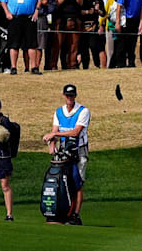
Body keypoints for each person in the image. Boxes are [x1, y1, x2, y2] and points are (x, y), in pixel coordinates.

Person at [43, 84, 89, 226]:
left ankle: (75, 215)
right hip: (64, 151)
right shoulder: (58, 112)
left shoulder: (83, 111)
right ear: (64, 96)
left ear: (75, 96)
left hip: (79, 150)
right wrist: (52, 144)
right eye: (67, 95)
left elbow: (76, 132)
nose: (70, 98)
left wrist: (55, 134)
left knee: (77, 183)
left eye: (72, 95)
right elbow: (54, 130)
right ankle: (63, 212)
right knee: (64, 181)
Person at [0, 0, 44, 75]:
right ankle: (13, 67)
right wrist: (7, 13)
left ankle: (34, 67)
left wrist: (36, 11)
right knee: (13, 44)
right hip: (14, 17)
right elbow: (3, 0)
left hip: (29, 17)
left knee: (32, 43)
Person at [79, 0, 106, 69]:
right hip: (83, 26)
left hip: (93, 26)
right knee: (83, 48)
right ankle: (85, 66)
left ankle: (97, 64)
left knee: (94, 46)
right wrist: (87, 12)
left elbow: (104, 13)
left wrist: (98, 11)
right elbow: (78, 12)